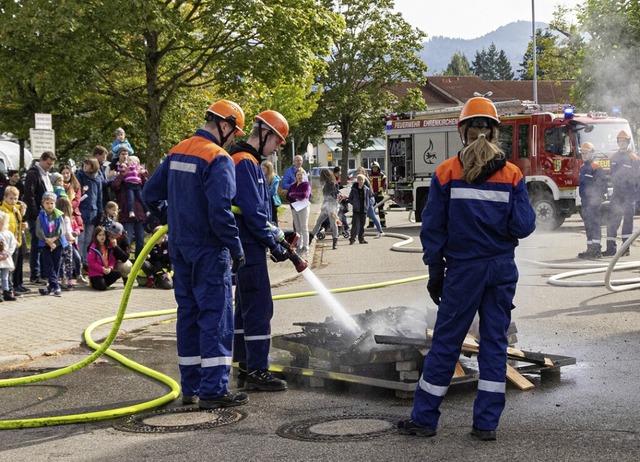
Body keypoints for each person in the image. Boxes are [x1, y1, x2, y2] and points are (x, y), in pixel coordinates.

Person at [398, 96, 536, 441]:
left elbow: (433, 230)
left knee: (446, 343)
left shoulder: (446, 172)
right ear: (494, 132)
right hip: (501, 270)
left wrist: (435, 271)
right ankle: (486, 425)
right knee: (494, 345)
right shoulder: (512, 174)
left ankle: (424, 419)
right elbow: (523, 226)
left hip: (463, 272)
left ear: (463, 131)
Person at [142, 99, 248, 409]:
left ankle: (190, 388)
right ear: (224, 125)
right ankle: (213, 390)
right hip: (208, 249)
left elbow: (150, 194)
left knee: (187, 315)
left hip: (180, 247)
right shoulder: (218, 158)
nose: (233, 140)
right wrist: (237, 247)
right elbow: (220, 212)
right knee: (214, 316)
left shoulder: (177, 150)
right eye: (234, 133)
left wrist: (171, 218)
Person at [227, 109, 291, 391]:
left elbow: (258, 211)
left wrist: (278, 235)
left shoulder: (248, 161)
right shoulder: (244, 163)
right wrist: (272, 243)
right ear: (265, 134)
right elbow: (253, 213)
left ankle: (244, 362)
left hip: (247, 243)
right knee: (259, 307)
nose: (277, 148)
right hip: (249, 245)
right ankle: (258, 370)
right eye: (277, 141)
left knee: (245, 307)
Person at [603, 130, 640, 257]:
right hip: (617, 194)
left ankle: (625, 249)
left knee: (628, 222)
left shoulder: (634, 158)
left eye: (624, 141)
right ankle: (610, 248)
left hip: (629, 195)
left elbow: (638, 179)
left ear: (628, 142)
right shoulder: (613, 157)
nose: (622, 143)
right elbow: (612, 175)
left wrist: (636, 197)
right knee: (612, 220)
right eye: (620, 141)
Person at [24, 151, 56, 285]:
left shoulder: (46, 175)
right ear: (42, 160)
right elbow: (29, 196)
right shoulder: (33, 174)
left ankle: (44, 273)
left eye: (51, 164)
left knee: (44, 245)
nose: (49, 166)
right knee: (37, 245)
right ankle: (35, 274)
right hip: (37, 216)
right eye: (48, 163)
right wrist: (37, 215)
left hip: (47, 215)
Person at [577, 142, 608, 259]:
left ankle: (596, 249)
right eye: (582, 153)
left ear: (592, 153)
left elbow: (603, 185)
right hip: (585, 202)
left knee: (594, 225)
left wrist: (597, 198)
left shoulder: (596, 167)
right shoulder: (583, 168)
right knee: (588, 225)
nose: (584, 155)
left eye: (586, 153)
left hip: (594, 202)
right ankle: (590, 249)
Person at [36, 191, 68, 297]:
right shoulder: (40, 215)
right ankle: (56, 287)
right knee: (48, 266)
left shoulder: (58, 215)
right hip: (45, 244)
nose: (49, 205)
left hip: (57, 243)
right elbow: (38, 230)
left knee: (56, 265)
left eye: (52, 203)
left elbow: (62, 229)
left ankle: (51, 286)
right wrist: (47, 240)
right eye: (47, 203)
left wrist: (54, 239)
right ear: (43, 204)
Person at [76, 158, 104, 269]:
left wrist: (100, 212)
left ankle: (86, 260)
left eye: (87, 165)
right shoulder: (80, 176)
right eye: (84, 164)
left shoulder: (98, 179)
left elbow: (99, 197)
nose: (85, 166)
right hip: (82, 211)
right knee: (81, 238)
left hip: (93, 211)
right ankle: (79, 261)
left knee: (89, 238)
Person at [1, 186, 29, 295]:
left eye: (16, 198)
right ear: (5, 197)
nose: (13, 201)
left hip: (17, 242)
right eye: (11, 198)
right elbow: (5, 227)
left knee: (16, 265)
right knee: (8, 267)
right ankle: (8, 289)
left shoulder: (16, 209)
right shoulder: (3, 211)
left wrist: (23, 225)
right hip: (7, 243)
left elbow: (16, 224)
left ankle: (15, 286)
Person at [60, 164, 85, 283]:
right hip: (61, 218)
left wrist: (68, 206)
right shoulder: (58, 186)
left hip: (73, 217)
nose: (65, 175)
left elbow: (77, 200)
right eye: (63, 173)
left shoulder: (75, 186)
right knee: (64, 257)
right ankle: (64, 278)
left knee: (76, 254)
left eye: (67, 173)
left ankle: (78, 274)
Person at [309, 169, 340, 249]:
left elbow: (334, 196)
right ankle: (310, 238)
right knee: (323, 222)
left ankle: (334, 241)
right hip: (327, 205)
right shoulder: (330, 183)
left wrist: (334, 209)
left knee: (331, 224)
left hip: (331, 206)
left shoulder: (330, 184)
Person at [116, 149, 149, 218]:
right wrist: (122, 166)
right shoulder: (127, 167)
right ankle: (131, 211)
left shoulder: (138, 167)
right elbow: (120, 169)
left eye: (130, 160)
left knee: (141, 198)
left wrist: (143, 172)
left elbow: (144, 172)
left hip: (137, 185)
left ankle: (147, 210)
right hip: (129, 184)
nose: (128, 161)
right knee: (130, 198)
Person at [86, 226, 121, 291]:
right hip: (96, 273)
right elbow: (91, 263)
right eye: (99, 235)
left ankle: (104, 284)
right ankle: (95, 283)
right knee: (102, 287)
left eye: (103, 235)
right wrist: (102, 269)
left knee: (118, 274)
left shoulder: (108, 246)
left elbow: (112, 259)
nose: (102, 237)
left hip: (106, 271)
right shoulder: (93, 247)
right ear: (96, 236)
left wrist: (110, 268)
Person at [286, 167, 311, 254]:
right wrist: (295, 196)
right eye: (298, 174)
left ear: (304, 175)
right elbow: (287, 196)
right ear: (295, 176)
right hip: (294, 207)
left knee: (304, 227)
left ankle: (306, 246)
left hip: (303, 207)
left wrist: (293, 195)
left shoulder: (306, 184)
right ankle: (299, 245)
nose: (299, 176)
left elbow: (305, 194)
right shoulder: (293, 185)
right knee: (297, 227)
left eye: (301, 174)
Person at [56, 197, 77, 290]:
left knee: (60, 262)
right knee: (68, 262)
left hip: (59, 243)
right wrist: (72, 238)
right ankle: (68, 281)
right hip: (67, 243)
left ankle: (60, 280)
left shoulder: (57, 217)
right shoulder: (66, 218)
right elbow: (67, 231)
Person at [103, 220, 132, 286]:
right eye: (109, 233)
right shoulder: (104, 235)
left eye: (113, 235)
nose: (110, 236)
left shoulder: (125, 240)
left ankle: (125, 277)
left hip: (115, 261)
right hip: (103, 260)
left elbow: (125, 258)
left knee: (127, 266)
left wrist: (116, 247)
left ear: (119, 235)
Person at [357, 166, 383, 238]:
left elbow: (367, 192)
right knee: (361, 217)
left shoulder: (364, 180)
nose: (358, 172)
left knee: (372, 216)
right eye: (357, 171)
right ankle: (359, 232)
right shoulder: (362, 179)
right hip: (366, 201)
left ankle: (380, 231)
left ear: (363, 172)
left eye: (359, 171)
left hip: (368, 201)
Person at [347, 174, 371, 245]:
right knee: (354, 225)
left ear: (364, 181)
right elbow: (350, 198)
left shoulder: (367, 189)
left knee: (362, 225)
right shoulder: (354, 189)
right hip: (356, 210)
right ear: (357, 180)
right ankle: (352, 239)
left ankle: (361, 239)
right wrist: (354, 203)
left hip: (364, 210)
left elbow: (368, 198)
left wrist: (367, 205)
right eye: (359, 180)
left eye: (362, 180)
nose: (360, 181)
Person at [0, 211, 17, 301]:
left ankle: (6, 292)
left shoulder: (8, 233)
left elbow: (13, 244)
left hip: (5, 259)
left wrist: (7, 254)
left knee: (5, 277)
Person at [261, 160, 281, 227]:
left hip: (272, 201)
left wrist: (263, 192)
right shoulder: (261, 177)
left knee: (273, 218)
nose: (262, 170)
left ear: (269, 169)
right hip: (263, 200)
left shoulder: (275, 178)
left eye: (264, 168)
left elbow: (273, 191)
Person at [368, 161, 387, 228]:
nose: (374, 169)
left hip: (380, 195)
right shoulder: (369, 176)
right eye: (373, 168)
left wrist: (378, 192)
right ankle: (371, 224)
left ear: (378, 168)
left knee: (381, 210)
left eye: (376, 167)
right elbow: (368, 185)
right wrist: (371, 193)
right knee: (371, 210)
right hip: (372, 195)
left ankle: (383, 223)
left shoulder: (382, 176)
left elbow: (383, 185)